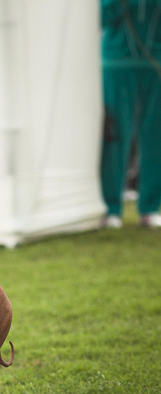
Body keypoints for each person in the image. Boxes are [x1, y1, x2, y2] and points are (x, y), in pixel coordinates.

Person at [100, 0, 161, 228]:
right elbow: (101, 17)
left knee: (155, 135)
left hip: (154, 62)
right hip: (117, 61)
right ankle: (111, 208)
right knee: (114, 134)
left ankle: (150, 208)